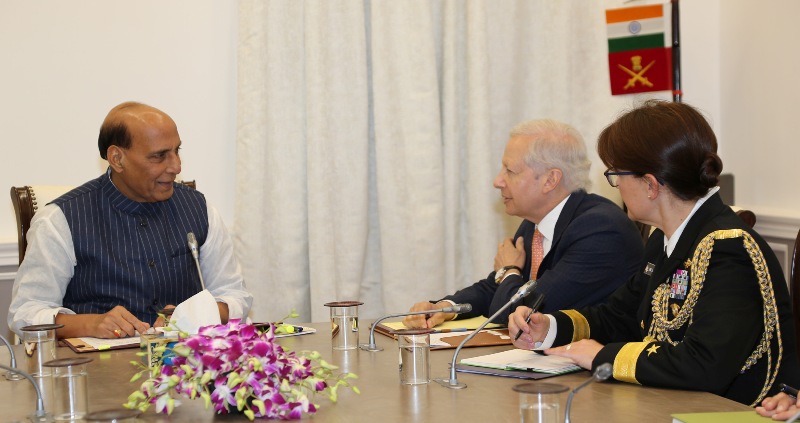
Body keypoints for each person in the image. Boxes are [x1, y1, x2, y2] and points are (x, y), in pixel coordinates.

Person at [509, 100, 800, 406]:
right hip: (671, 404)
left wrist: (601, 355)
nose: (616, 185)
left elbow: (704, 365)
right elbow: (619, 315)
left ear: (649, 184)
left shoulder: (729, 248)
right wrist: (549, 327)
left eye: (616, 175)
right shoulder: (664, 239)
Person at [8, 102, 253, 339]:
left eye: (177, 151)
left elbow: (234, 295)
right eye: (159, 156)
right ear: (117, 158)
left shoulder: (199, 208)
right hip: (97, 374)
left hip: (183, 368)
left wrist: (201, 315)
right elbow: (25, 313)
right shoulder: (60, 220)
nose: (176, 166)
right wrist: (90, 323)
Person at [404, 119, 644, 328]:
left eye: (510, 170)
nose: (498, 181)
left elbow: (523, 313)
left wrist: (509, 270)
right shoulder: (537, 220)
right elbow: (495, 289)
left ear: (550, 180)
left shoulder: (600, 229)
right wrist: (444, 308)